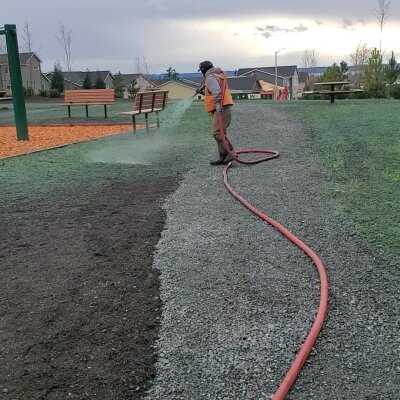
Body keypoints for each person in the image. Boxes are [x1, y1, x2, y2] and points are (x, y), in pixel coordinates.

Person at [196, 61, 235, 165]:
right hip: (221, 107)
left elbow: (216, 91)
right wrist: (201, 91)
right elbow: (211, 92)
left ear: (203, 70)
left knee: (217, 133)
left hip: (221, 108)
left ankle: (231, 154)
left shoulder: (210, 78)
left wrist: (218, 104)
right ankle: (223, 156)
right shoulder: (215, 75)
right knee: (220, 132)